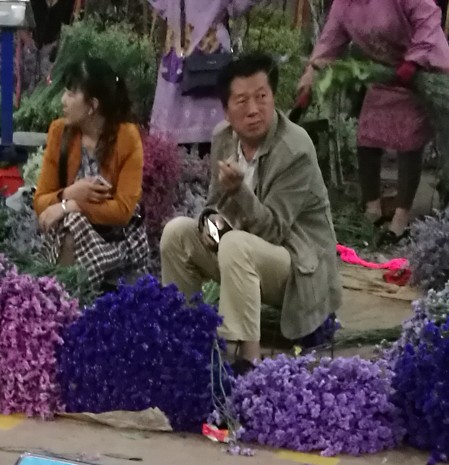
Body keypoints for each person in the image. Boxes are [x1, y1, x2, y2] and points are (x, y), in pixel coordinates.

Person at [160, 52, 341, 366]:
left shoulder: (294, 148)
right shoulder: (223, 138)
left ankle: (245, 360)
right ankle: (184, 337)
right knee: (177, 233)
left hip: (298, 264)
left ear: (274, 98)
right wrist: (209, 224)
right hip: (244, 252)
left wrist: (239, 193)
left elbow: (273, 231)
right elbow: (215, 206)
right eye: (242, 101)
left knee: (234, 243)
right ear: (226, 111)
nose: (254, 110)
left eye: (262, 97)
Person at [296, 0, 449, 239]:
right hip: (386, 72)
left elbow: (429, 18)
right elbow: (329, 42)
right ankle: (373, 209)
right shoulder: (344, 5)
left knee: (408, 140)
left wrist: (413, 60)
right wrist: (311, 74)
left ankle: (401, 218)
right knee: (367, 136)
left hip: (423, 68)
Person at [33, 55, 151, 291]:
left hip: (117, 240)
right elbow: (40, 202)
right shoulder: (60, 132)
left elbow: (122, 212)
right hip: (70, 235)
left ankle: (64, 301)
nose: (62, 101)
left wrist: (72, 204)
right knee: (71, 226)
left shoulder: (126, 137)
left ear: (92, 106)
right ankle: (66, 299)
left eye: (71, 94)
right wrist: (70, 192)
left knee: (72, 220)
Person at [148, 0, 252, 151]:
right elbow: (239, 6)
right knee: (217, 137)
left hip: (179, 55)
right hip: (213, 56)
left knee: (173, 134)